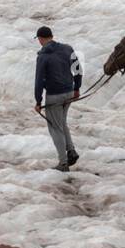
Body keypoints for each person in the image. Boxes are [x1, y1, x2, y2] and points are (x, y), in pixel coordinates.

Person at [33, 26, 83, 171]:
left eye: (39, 40)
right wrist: (77, 88)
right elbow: (78, 69)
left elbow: (39, 80)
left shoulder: (43, 56)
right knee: (61, 122)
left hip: (54, 95)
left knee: (55, 128)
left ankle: (63, 163)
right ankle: (71, 151)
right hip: (69, 92)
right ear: (52, 36)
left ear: (41, 39)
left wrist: (38, 101)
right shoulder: (68, 49)